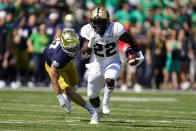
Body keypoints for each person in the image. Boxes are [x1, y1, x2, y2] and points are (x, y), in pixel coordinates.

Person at [81, 7, 144, 124]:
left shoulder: (115, 28)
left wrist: (139, 53)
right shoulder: (88, 30)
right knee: (91, 95)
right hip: (97, 64)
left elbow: (130, 39)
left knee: (109, 79)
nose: (97, 25)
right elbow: (84, 54)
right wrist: (90, 44)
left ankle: (106, 101)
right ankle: (97, 112)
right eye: (95, 22)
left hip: (113, 61)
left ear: (107, 21)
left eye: (100, 22)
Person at [44, 30, 94, 117]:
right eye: (70, 48)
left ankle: (69, 97)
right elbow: (54, 80)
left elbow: (90, 37)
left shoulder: (78, 38)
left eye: (75, 46)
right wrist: (60, 97)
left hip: (68, 63)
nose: (74, 49)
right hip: (55, 67)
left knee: (75, 87)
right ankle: (91, 110)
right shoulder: (58, 58)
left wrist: (88, 48)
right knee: (68, 90)